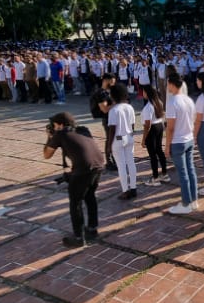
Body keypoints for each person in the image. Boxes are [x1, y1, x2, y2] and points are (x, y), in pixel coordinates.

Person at [43, 111, 104, 247]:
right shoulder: (83, 130)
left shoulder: (60, 134)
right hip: (99, 165)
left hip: (83, 169)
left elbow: (47, 154)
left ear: (60, 124)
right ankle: (92, 229)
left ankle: (78, 238)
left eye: (54, 125)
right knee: (89, 196)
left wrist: (49, 137)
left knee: (75, 203)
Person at [165, 73, 199, 214]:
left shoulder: (172, 102)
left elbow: (170, 127)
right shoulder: (188, 100)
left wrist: (167, 146)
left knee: (183, 173)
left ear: (172, 85)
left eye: (168, 84)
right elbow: (194, 119)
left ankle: (186, 203)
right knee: (190, 170)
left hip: (178, 141)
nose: (167, 86)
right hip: (188, 138)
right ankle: (193, 200)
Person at [106, 83, 138, 200]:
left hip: (118, 138)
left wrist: (109, 146)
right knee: (131, 163)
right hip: (129, 136)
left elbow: (112, 129)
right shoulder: (130, 107)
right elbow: (133, 125)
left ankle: (125, 190)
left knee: (121, 166)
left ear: (113, 95)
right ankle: (133, 188)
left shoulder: (113, 110)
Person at [140, 85, 169, 187]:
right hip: (159, 126)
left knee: (152, 155)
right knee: (159, 151)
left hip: (152, 128)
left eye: (143, 92)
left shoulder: (148, 107)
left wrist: (143, 139)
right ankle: (165, 174)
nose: (142, 93)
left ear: (147, 93)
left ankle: (155, 178)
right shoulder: (158, 102)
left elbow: (147, 125)